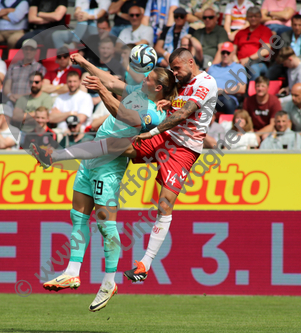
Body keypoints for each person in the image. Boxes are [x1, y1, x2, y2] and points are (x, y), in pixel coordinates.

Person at [32, 48, 217, 287]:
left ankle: (144, 265)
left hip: (182, 147)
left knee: (164, 203)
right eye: (171, 69)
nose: (174, 72)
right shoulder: (172, 84)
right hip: (164, 135)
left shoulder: (206, 83)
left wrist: (151, 129)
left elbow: (185, 112)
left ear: (191, 63)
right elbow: (113, 82)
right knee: (116, 145)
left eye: (177, 68)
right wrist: (84, 61)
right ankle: (55, 157)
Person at [31, 55, 175, 313]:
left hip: (110, 165)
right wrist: (83, 61)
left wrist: (103, 91)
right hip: (91, 161)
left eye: (150, 78)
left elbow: (122, 113)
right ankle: (72, 271)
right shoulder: (138, 91)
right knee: (78, 218)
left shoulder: (153, 114)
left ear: (158, 88)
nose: (144, 78)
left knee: (106, 225)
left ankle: (109, 283)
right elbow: (109, 79)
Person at [233, 6, 273, 81]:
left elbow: (265, 50)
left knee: (253, 69)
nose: (253, 18)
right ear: (247, 18)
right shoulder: (240, 33)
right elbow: (233, 50)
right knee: (229, 69)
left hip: (258, 63)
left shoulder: (265, 30)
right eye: (251, 16)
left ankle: (253, 92)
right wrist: (236, 61)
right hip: (240, 63)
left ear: (260, 17)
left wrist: (249, 59)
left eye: (255, 16)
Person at [3, 39, 47, 105]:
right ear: (22, 50)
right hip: (12, 101)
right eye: (26, 49)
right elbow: (7, 84)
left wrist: (22, 97)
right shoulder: (13, 67)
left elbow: (40, 88)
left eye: (31, 49)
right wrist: (9, 95)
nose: (28, 51)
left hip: (30, 102)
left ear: (35, 51)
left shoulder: (40, 68)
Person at [268, 14, 301, 80]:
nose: (297, 27)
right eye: (295, 25)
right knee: (272, 70)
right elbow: (284, 51)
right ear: (291, 25)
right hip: (287, 61)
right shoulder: (284, 35)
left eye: (300, 25)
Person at [208, 41, 247, 114]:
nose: (225, 55)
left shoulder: (239, 68)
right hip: (210, 96)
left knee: (227, 102)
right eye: (223, 52)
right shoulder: (213, 67)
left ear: (233, 54)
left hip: (227, 97)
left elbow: (242, 88)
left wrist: (223, 91)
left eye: (228, 53)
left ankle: (228, 124)